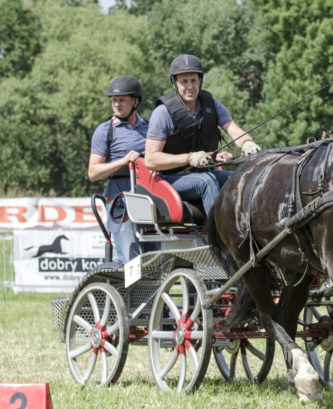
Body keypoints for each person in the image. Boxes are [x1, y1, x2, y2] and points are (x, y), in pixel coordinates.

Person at [145, 54, 261, 216]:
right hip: (170, 179)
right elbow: (150, 160)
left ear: (200, 81)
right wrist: (189, 157)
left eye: (193, 80)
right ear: (175, 83)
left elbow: (232, 128)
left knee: (242, 177)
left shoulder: (211, 104)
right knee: (206, 182)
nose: (189, 86)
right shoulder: (163, 113)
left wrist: (247, 143)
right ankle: (221, 237)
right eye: (184, 82)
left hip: (204, 172)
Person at [88, 75, 157, 264]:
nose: (117, 104)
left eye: (122, 100)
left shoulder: (151, 127)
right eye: (114, 100)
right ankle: (128, 289)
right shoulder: (104, 131)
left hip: (150, 198)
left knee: (157, 259)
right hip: (121, 201)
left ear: (135, 102)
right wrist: (124, 161)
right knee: (130, 258)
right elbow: (93, 173)